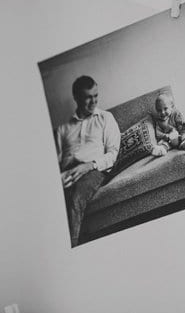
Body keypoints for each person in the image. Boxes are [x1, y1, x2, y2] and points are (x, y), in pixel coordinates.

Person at [54, 76, 120, 247]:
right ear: (76, 98)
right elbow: (58, 163)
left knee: (75, 199)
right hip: (68, 172)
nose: (94, 101)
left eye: (96, 95)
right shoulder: (63, 129)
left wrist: (88, 165)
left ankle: (71, 247)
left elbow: (113, 154)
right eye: (88, 97)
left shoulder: (106, 118)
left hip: (94, 170)